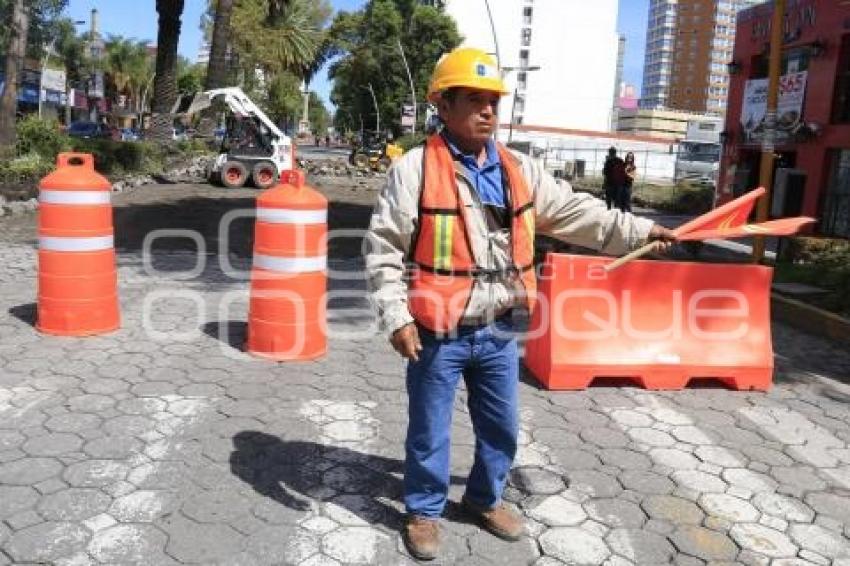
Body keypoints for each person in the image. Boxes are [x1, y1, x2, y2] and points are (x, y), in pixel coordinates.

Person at [365, 47, 675, 561]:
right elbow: (383, 249)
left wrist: (642, 229)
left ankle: (484, 498)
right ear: (443, 106)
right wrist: (396, 317)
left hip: (500, 328)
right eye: (474, 100)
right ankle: (423, 510)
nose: (488, 110)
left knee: (503, 426)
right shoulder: (415, 170)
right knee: (429, 430)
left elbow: (579, 213)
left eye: (493, 101)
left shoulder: (519, 169)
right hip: (438, 330)